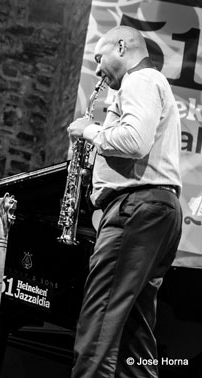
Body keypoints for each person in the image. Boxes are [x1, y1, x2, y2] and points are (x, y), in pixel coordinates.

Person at [67, 26, 182, 378]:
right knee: (134, 336)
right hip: (154, 211)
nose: (98, 70)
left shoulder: (141, 79)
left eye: (99, 59)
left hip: (135, 210)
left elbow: (134, 141)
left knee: (99, 321)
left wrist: (88, 131)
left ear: (121, 46)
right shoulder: (146, 84)